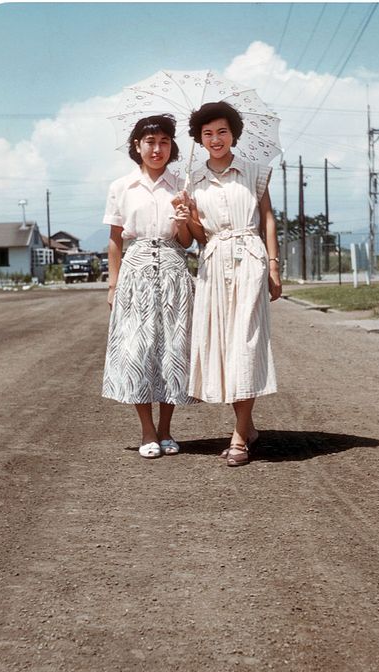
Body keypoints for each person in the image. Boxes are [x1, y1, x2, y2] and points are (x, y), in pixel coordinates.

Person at [174, 101, 282, 467]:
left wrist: (273, 265)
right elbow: (197, 238)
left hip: (250, 259)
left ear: (234, 133)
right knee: (224, 347)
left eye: (222, 131)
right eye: (207, 134)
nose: (215, 139)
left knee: (245, 343)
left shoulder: (254, 172)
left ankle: (239, 437)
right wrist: (186, 217)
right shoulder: (193, 180)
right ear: (199, 139)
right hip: (213, 263)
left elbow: (267, 218)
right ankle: (247, 424)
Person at [102, 114, 197, 459]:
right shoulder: (120, 187)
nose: (157, 149)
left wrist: (184, 219)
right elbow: (115, 240)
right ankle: (147, 431)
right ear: (137, 146)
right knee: (138, 349)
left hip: (173, 267)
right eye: (150, 142)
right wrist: (113, 285)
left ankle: (168, 430)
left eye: (164, 142)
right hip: (136, 270)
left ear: (172, 147)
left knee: (172, 349)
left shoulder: (182, 186)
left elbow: (186, 243)